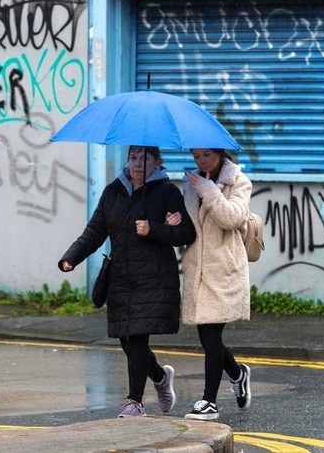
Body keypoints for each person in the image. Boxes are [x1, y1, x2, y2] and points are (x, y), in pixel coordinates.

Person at [58, 146, 196, 418]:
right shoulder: (113, 191)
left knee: (136, 340)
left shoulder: (167, 192)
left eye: (144, 159)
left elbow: (186, 232)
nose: (137, 164)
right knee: (126, 339)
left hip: (153, 278)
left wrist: (154, 229)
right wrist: (71, 257)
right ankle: (159, 376)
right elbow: (95, 231)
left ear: (157, 162)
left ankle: (135, 402)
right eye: (133, 158)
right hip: (120, 277)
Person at [178, 148, 253, 421]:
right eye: (196, 156)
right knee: (209, 338)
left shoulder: (238, 181)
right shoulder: (190, 183)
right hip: (197, 270)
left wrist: (209, 190)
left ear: (220, 153)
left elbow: (232, 217)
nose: (201, 161)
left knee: (211, 337)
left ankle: (209, 401)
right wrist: (174, 221)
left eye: (207, 155)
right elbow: (190, 226)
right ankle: (237, 373)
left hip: (223, 270)